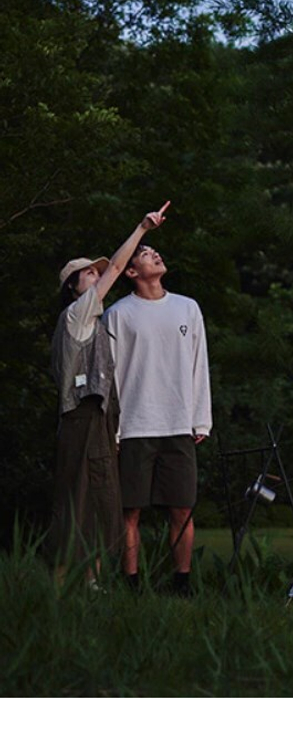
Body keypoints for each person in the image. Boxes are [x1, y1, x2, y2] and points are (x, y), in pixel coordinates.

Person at [50, 203, 169, 584]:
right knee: (82, 502)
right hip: (81, 420)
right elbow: (118, 267)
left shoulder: (92, 321)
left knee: (100, 502)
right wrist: (142, 229)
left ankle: (93, 584)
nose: (98, 276)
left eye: (96, 272)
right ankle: (78, 583)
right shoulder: (76, 315)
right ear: (75, 287)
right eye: (89, 274)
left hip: (96, 421)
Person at [104, 231, 212, 595]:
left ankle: (182, 583)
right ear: (132, 272)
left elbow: (200, 364)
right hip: (134, 425)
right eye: (146, 253)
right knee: (129, 511)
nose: (155, 254)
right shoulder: (118, 314)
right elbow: (112, 375)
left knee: (182, 509)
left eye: (154, 250)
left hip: (178, 423)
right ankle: (131, 585)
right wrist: (113, 430)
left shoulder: (187, 307)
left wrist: (201, 418)